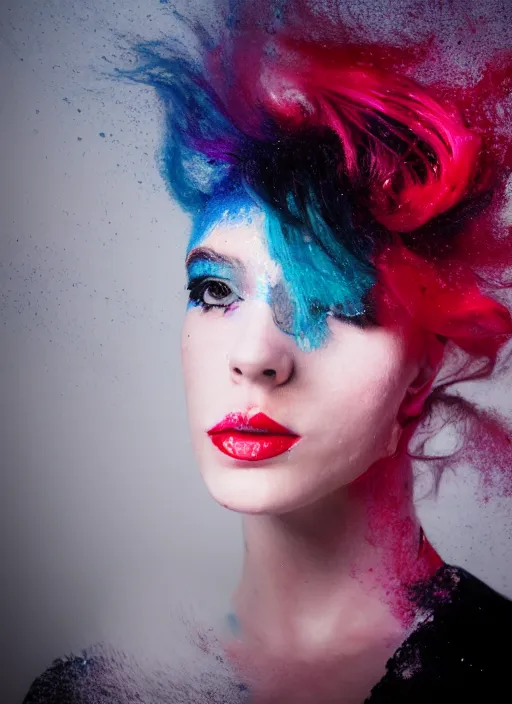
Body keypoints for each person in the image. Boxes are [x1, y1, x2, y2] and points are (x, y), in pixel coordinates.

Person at [22, 5, 512, 703]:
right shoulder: (84, 692)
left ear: (421, 372)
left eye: (338, 302)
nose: (254, 357)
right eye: (216, 290)